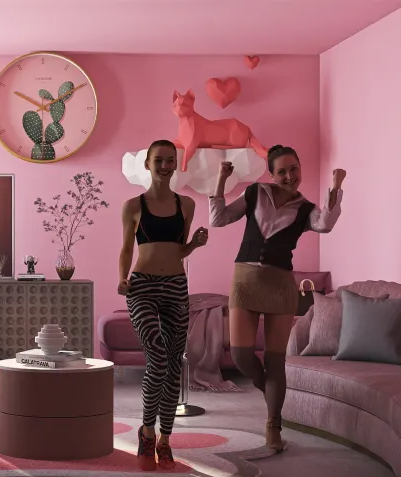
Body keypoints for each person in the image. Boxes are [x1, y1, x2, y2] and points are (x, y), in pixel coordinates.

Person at [209, 144, 346, 452]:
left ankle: (274, 424)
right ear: (271, 175)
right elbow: (218, 219)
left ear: (300, 168)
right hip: (245, 281)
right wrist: (220, 181)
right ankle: (268, 387)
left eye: (294, 169)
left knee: (275, 361)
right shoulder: (254, 193)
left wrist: (336, 187)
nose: (289, 176)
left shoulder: (306, 208)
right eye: (281, 171)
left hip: (281, 285)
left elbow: (324, 224)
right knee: (242, 356)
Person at [117, 139, 209, 471]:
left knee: (173, 365)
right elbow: (127, 248)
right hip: (141, 286)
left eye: (170, 160)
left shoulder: (187, 204)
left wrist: (194, 244)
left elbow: (179, 250)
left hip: (175, 286)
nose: (165, 166)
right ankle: (146, 432)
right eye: (159, 160)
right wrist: (122, 277)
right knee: (157, 356)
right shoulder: (133, 205)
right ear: (148, 164)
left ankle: (165, 440)